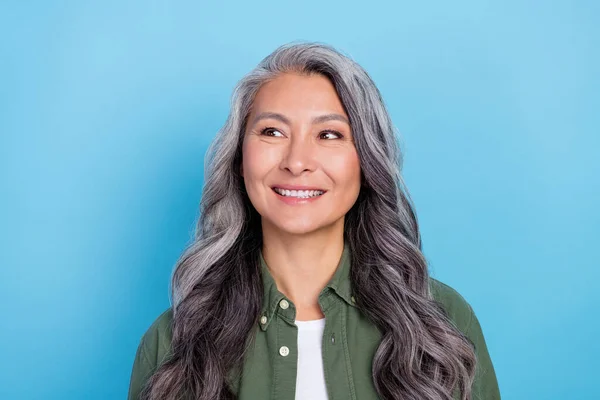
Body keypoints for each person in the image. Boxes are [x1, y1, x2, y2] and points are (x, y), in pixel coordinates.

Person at [127, 42, 501, 400]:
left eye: (329, 134)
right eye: (272, 131)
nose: (297, 160)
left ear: (366, 163)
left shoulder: (442, 324)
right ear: (240, 160)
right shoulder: (174, 344)